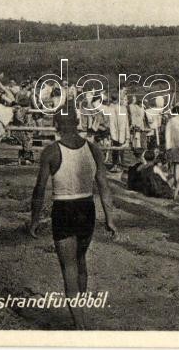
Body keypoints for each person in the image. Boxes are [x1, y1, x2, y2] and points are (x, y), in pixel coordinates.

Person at [29, 107, 117, 330]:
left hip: (64, 209)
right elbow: (104, 186)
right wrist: (110, 218)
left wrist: (35, 219)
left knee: (68, 268)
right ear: (78, 122)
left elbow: (39, 189)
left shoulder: (51, 151)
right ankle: (80, 312)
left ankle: (79, 324)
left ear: (56, 125)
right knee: (80, 260)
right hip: (87, 208)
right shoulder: (93, 149)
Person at [164, 104, 179, 199]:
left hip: (172, 147)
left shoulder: (170, 121)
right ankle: (176, 187)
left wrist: (167, 147)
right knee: (178, 167)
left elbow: (167, 135)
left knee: (173, 167)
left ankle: (175, 186)